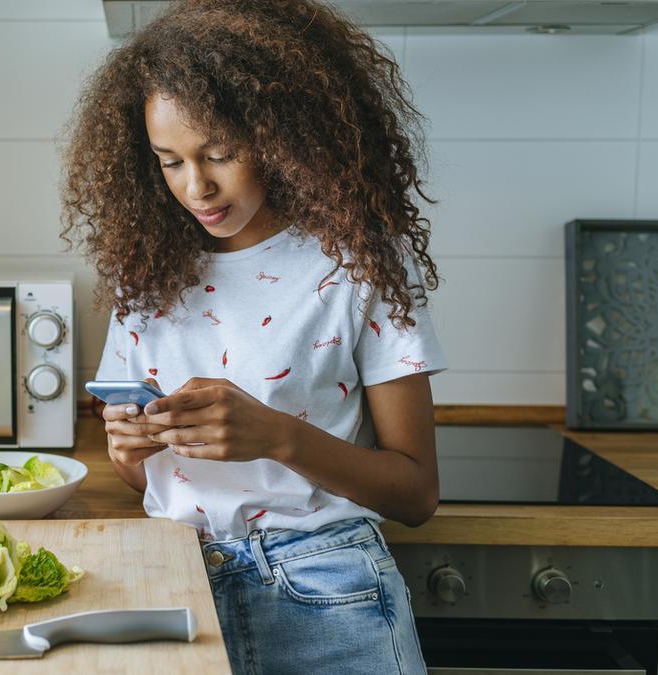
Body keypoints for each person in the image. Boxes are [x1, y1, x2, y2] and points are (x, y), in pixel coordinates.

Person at [60, 1, 447, 673]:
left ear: (283, 136)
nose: (196, 186)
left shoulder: (356, 261)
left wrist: (276, 436)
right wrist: (127, 446)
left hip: (329, 587)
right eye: (169, 161)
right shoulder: (144, 268)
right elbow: (140, 475)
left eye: (219, 154)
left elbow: (416, 494)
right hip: (176, 580)